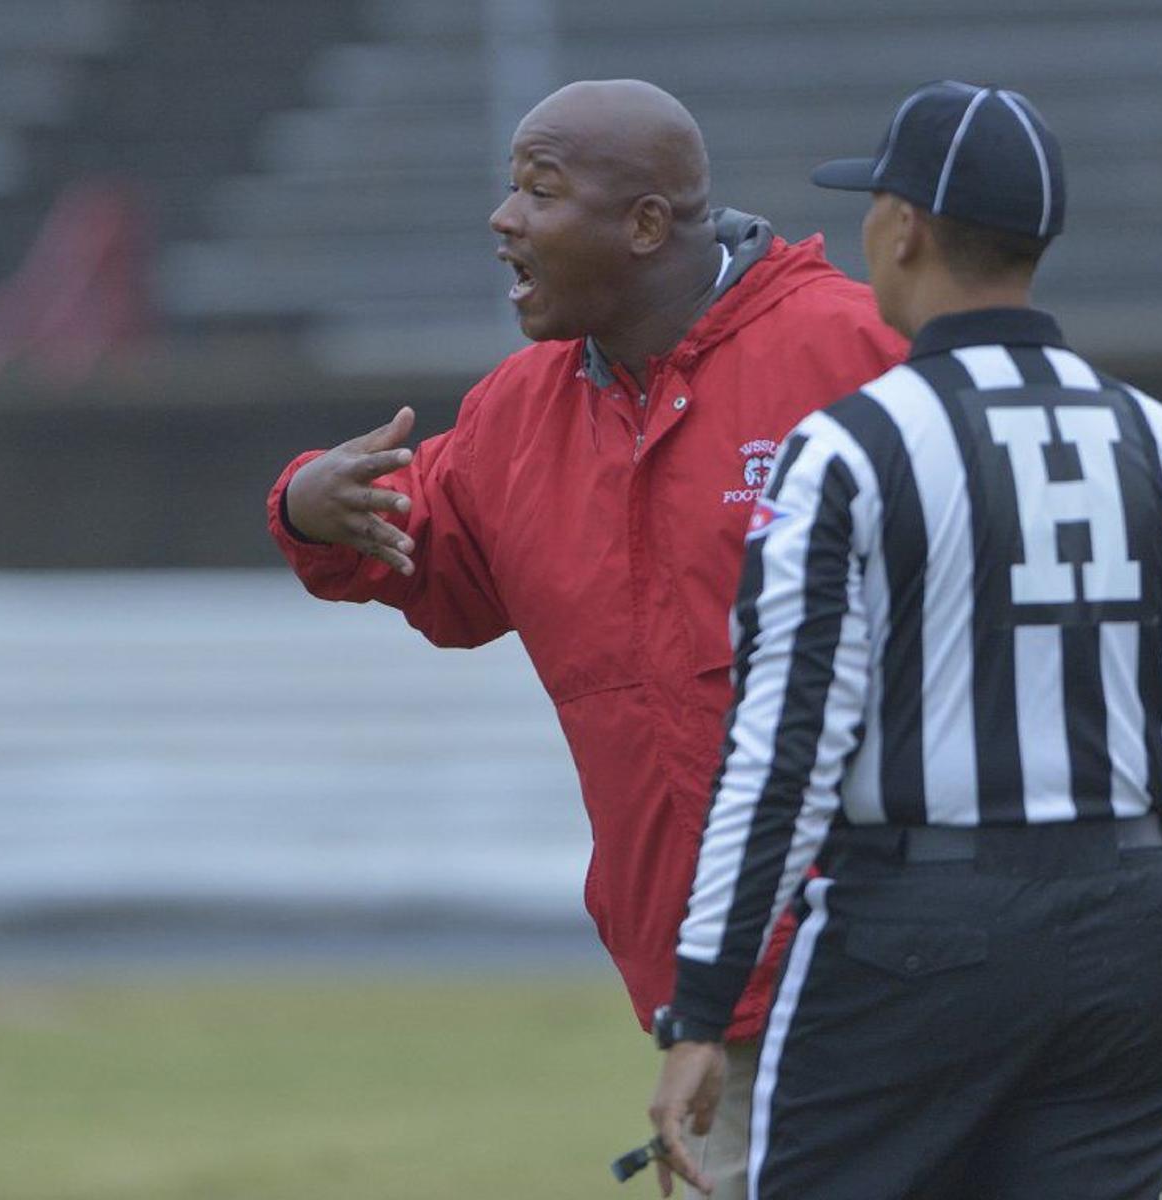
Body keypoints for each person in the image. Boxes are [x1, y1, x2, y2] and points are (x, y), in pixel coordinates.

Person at [267, 78, 905, 1198]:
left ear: (647, 225)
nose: (504, 219)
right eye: (511, 188)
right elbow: (437, 569)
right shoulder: (520, 412)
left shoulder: (854, 353)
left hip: (905, 975)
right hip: (708, 999)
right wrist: (310, 506)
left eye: (539, 191)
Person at [648, 80, 1162, 1200]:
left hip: (923, 930)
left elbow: (786, 742)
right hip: (1135, 928)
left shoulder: (853, 447)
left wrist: (703, 1002)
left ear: (904, 229)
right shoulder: (1157, 439)